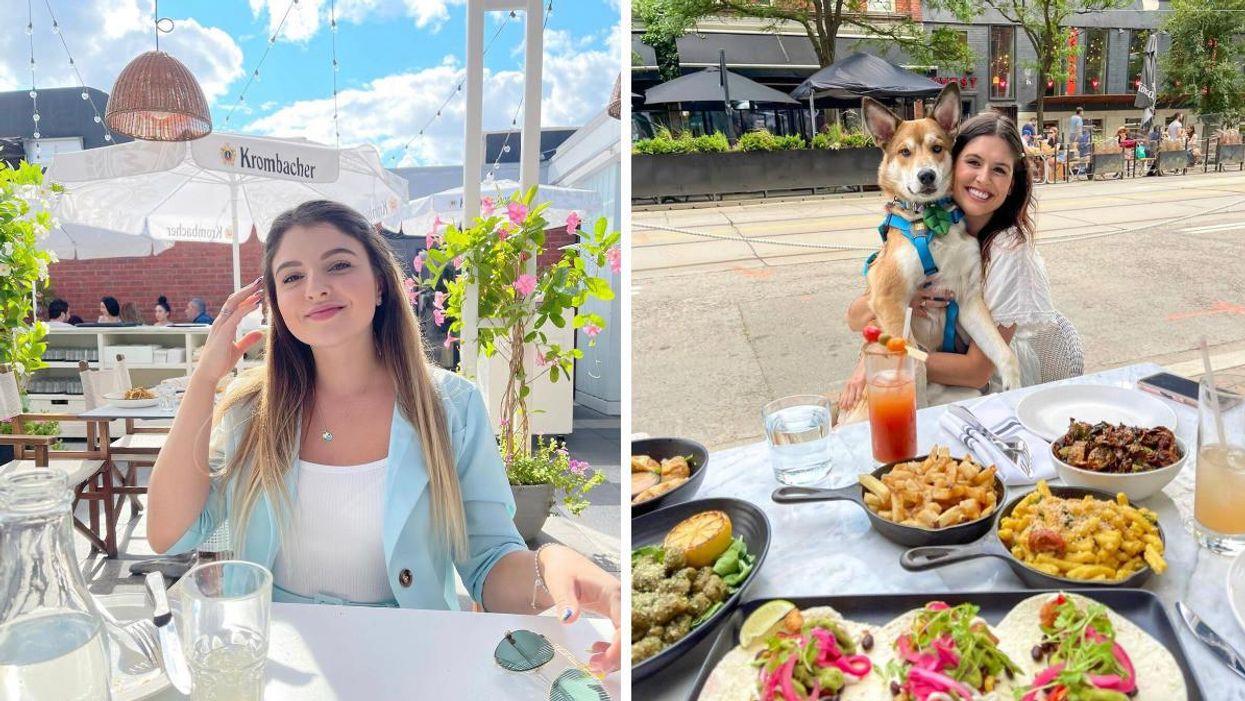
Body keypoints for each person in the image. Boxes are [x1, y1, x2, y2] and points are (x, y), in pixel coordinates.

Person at [145, 200, 621, 674]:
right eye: (291, 277)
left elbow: (487, 562)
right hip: (278, 661)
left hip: (414, 656)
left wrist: (548, 566)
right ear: (275, 304)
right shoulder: (252, 412)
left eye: (338, 265)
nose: (315, 288)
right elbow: (169, 533)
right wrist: (205, 380)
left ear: (379, 285)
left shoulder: (452, 406)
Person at [840, 112, 1083, 411]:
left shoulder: (1008, 251)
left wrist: (884, 355)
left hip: (977, 387)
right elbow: (856, 318)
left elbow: (976, 369)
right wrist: (895, 315)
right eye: (973, 162)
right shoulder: (920, 226)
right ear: (956, 162)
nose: (983, 178)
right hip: (928, 373)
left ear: (1012, 182)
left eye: (999, 170)